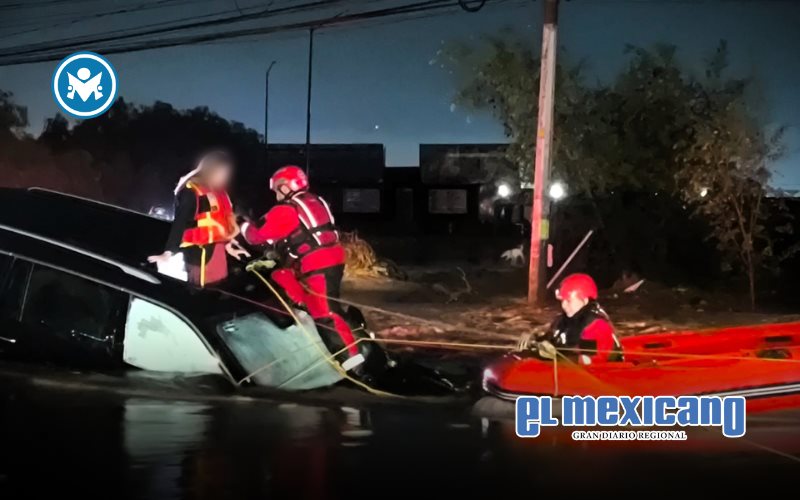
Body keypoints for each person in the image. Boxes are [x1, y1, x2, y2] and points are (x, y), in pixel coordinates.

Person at [241, 165, 364, 372]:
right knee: (281, 275)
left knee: (326, 313)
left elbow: (257, 236)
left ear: (285, 186)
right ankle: (305, 307)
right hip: (330, 258)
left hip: (317, 264)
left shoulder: (286, 209)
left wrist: (242, 224)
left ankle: (352, 362)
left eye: (277, 190)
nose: (276, 195)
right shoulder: (315, 201)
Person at [148, 151, 248, 287]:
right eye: (221, 173)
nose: (224, 177)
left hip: (218, 255)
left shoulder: (219, 193)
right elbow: (180, 223)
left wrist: (229, 246)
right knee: (202, 292)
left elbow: (221, 224)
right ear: (210, 170)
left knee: (220, 289)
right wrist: (168, 252)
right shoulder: (191, 192)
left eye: (226, 174)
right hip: (199, 255)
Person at [544, 273, 623, 365]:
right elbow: (550, 340)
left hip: (602, 371)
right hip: (567, 365)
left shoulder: (596, 326)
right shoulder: (561, 321)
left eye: (569, 301)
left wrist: (556, 358)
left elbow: (588, 360)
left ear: (585, 301)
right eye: (562, 301)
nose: (564, 305)